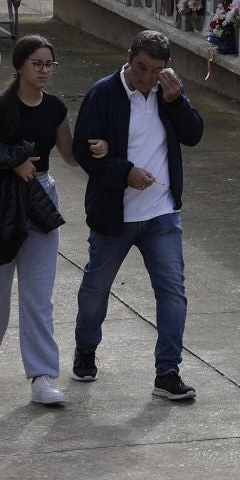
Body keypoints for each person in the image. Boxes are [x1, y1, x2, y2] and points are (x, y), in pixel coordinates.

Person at [0, 35, 104, 406]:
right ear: (20, 67)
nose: (44, 71)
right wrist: (12, 161)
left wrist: (102, 147)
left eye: (49, 64)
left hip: (40, 198)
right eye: (37, 64)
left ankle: (42, 375)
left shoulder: (55, 109)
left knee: (38, 295)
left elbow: (69, 155)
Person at [72, 31, 205, 401]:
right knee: (95, 290)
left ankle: (168, 372)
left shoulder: (168, 92)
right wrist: (124, 172)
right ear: (128, 58)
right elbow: (82, 150)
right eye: (141, 68)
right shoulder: (103, 93)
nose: (147, 78)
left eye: (156, 70)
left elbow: (193, 135)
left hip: (162, 213)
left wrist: (177, 101)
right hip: (115, 215)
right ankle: (86, 348)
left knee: (173, 293)